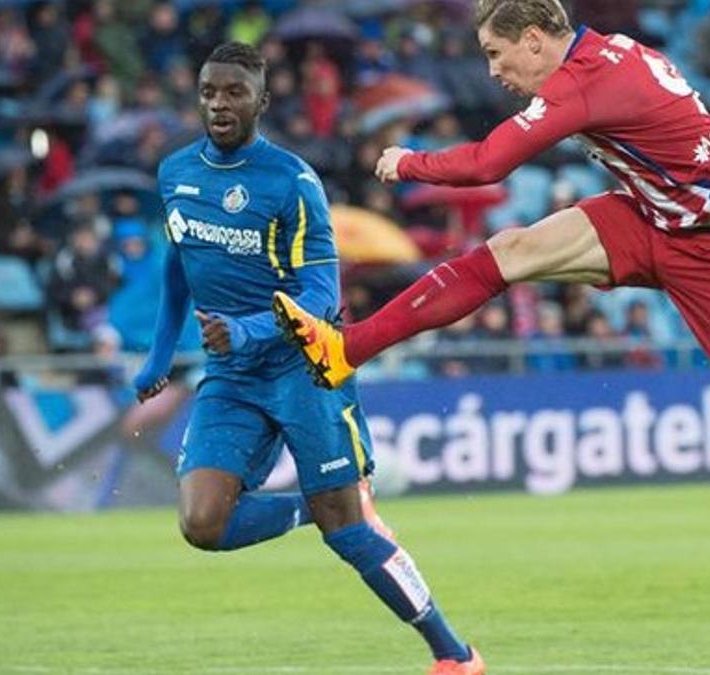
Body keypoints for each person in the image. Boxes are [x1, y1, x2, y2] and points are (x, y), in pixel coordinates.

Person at [273, 0, 710, 551]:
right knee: (513, 249)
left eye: (498, 54)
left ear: (534, 40)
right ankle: (347, 347)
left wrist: (408, 162)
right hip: (651, 217)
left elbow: (488, 165)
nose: (494, 71)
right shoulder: (597, 59)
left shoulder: (589, 84)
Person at [132, 43, 485, 675]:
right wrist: (159, 355)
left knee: (349, 534)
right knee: (201, 524)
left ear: (262, 102)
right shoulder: (175, 173)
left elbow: (322, 295)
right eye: (209, 90)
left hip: (307, 369)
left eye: (234, 92)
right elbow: (178, 263)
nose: (219, 102)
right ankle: (309, 509)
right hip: (233, 379)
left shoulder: (291, 182)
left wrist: (242, 329)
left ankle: (454, 655)